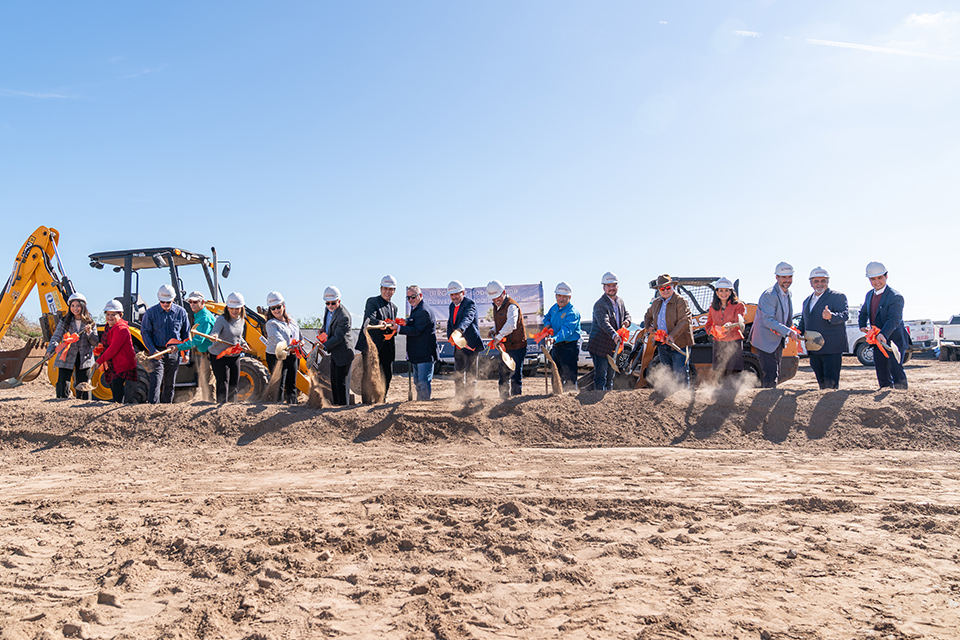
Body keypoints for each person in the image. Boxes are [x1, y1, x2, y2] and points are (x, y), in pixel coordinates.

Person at [749, 262, 801, 388]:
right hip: (765, 340)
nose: (787, 280)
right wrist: (789, 332)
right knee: (770, 374)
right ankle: (767, 398)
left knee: (775, 372)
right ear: (777, 277)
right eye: (784, 277)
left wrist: (792, 329)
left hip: (777, 339)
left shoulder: (788, 294)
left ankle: (770, 395)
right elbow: (768, 320)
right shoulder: (769, 295)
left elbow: (786, 316)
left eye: (789, 277)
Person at [858, 261, 908, 390]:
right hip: (877, 340)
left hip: (894, 339)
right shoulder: (869, 295)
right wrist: (862, 325)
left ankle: (902, 395)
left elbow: (894, 319)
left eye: (880, 278)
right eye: (873, 279)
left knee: (895, 368)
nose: (877, 282)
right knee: (881, 369)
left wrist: (883, 334)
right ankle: (885, 392)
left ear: (886, 276)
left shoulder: (895, 296)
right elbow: (863, 312)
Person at [797, 267, 849, 390]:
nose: (819, 284)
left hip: (831, 347)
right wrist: (798, 331)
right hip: (814, 347)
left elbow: (845, 315)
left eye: (823, 281)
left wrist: (832, 316)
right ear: (811, 283)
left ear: (827, 282)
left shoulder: (838, 296)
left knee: (831, 384)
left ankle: (832, 401)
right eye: (816, 281)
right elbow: (805, 320)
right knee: (821, 383)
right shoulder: (807, 301)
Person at [140, 284, 190, 403]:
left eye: (168, 302)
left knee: (170, 383)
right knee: (156, 381)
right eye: (163, 302)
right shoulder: (151, 313)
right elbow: (145, 333)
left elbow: (186, 334)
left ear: (173, 299)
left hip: (174, 352)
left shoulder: (181, 312)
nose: (165, 304)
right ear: (159, 299)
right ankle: (153, 406)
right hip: (157, 351)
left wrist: (186, 353)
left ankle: (167, 408)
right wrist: (153, 351)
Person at [643, 274, 695, 386]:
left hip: (679, 343)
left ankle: (682, 395)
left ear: (672, 286)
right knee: (667, 373)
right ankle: (670, 395)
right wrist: (649, 327)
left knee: (680, 373)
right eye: (662, 289)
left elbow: (685, 321)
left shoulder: (681, 301)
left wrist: (672, 336)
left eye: (668, 287)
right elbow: (647, 316)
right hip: (662, 343)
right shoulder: (656, 303)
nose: (665, 290)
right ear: (659, 290)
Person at [46, 292, 99, 400]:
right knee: (63, 381)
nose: (75, 308)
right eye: (73, 306)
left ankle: (83, 403)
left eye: (78, 306)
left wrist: (89, 333)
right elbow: (56, 337)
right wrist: (50, 350)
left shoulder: (90, 322)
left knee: (83, 383)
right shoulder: (64, 321)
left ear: (83, 307)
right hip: (67, 355)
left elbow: (95, 342)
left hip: (84, 357)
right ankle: (61, 401)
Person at [356, 275, 399, 399]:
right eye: (385, 288)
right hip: (371, 345)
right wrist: (379, 323)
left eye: (390, 289)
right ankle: (367, 401)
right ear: (381, 289)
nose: (387, 291)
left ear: (394, 291)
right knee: (369, 374)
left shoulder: (394, 307)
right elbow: (369, 318)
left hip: (387, 347)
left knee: (387, 374)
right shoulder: (372, 301)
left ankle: (382, 398)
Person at [394, 285, 439, 400]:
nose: (410, 300)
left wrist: (398, 328)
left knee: (423, 382)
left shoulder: (423, 311)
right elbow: (414, 322)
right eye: (408, 298)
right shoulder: (416, 309)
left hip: (425, 354)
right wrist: (406, 322)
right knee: (418, 382)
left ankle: (424, 405)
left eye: (413, 297)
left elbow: (416, 330)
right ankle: (420, 403)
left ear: (420, 296)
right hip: (418, 354)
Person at [588, 272, 631, 391]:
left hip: (613, 347)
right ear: (604, 288)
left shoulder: (620, 301)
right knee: (601, 376)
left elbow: (626, 314)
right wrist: (614, 335)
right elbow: (603, 322)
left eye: (613, 285)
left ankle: (607, 399)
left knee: (610, 377)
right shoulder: (599, 304)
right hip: (600, 346)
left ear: (617, 286)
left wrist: (627, 321)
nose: (611, 288)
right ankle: (598, 396)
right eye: (608, 286)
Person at [487, 280, 527, 399]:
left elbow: (511, 324)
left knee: (515, 375)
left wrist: (498, 338)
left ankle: (515, 400)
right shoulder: (496, 306)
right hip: (505, 347)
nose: (496, 300)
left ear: (504, 292)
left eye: (498, 297)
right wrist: (494, 329)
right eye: (493, 298)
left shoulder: (512, 306)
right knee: (503, 374)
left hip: (517, 346)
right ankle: (503, 399)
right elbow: (502, 322)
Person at [207, 292, 249, 404]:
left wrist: (244, 343)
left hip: (234, 355)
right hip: (219, 355)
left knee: (234, 383)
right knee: (223, 382)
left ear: (242, 308)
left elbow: (238, 337)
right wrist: (214, 336)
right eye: (231, 308)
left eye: (237, 309)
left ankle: (231, 407)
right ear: (227, 307)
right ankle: (221, 407)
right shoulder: (221, 319)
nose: (234, 311)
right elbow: (215, 332)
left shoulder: (241, 320)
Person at [703, 277, 746, 381]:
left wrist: (729, 325)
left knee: (734, 371)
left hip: (734, 341)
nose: (724, 293)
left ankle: (733, 390)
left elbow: (739, 321)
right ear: (717, 292)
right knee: (720, 371)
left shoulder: (739, 305)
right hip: (719, 342)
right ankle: (721, 390)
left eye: (726, 290)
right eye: (721, 290)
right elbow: (708, 325)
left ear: (731, 292)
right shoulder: (712, 307)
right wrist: (714, 330)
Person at [95, 299, 138, 403]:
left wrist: (99, 361)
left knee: (117, 384)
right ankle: (116, 403)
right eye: (108, 314)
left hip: (123, 363)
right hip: (113, 362)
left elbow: (113, 349)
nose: (110, 317)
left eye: (113, 314)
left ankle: (118, 405)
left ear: (120, 315)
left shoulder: (121, 329)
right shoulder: (108, 327)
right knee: (113, 385)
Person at [176, 291, 216, 402]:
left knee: (208, 381)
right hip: (205, 353)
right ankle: (208, 401)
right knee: (204, 380)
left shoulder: (204, 318)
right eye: (190, 302)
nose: (192, 304)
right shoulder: (198, 316)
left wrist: (178, 347)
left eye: (195, 302)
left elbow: (197, 340)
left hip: (210, 354)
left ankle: (210, 402)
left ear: (202, 302)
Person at [446, 280, 484, 399]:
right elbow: (450, 322)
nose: (454, 297)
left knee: (470, 375)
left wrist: (459, 330)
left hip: (470, 345)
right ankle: (459, 398)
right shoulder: (452, 306)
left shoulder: (470, 304)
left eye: (456, 294)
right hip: (458, 345)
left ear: (462, 292)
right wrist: (450, 336)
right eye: (452, 295)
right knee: (458, 374)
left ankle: (469, 398)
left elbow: (468, 318)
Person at [542, 282, 581, 391]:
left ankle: (570, 396)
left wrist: (554, 339)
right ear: (556, 296)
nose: (561, 299)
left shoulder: (572, 312)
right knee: (556, 375)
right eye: (559, 296)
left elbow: (566, 330)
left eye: (564, 296)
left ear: (569, 297)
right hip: (556, 346)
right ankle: (556, 396)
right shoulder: (554, 308)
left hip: (569, 348)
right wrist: (548, 325)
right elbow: (547, 317)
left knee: (569, 377)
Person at [264, 291, 301, 404]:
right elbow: (277, 339)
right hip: (276, 356)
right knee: (279, 384)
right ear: (270, 310)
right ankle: (277, 406)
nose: (276, 310)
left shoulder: (291, 319)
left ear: (283, 306)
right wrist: (289, 346)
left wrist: (301, 342)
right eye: (273, 308)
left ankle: (293, 405)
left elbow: (298, 333)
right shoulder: (271, 324)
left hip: (292, 354)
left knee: (292, 383)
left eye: (278, 307)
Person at [320, 286, 353, 406]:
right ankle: (336, 406)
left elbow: (338, 337)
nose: (330, 306)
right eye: (327, 303)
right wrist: (323, 330)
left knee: (341, 382)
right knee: (334, 381)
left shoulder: (343, 316)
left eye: (333, 303)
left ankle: (343, 408)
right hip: (335, 351)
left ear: (339, 301)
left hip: (344, 353)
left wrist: (324, 346)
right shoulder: (328, 310)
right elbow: (328, 324)